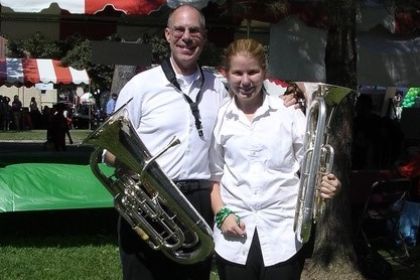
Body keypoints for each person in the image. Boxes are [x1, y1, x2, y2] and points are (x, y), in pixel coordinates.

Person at [105, 5, 300, 280]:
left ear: (204, 37)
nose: (187, 37)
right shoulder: (140, 86)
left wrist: (298, 91)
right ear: (167, 34)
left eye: (194, 30)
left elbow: (261, 91)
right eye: (180, 30)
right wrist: (130, 167)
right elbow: (108, 149)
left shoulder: (220, 87)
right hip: (148, 196)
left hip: (198, 201)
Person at [208, 38, 341, 280]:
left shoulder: (288, 113)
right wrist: (221, 214)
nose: (245, 81)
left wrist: (326, 181)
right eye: (237, 73)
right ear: (226, 74)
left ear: (264, 72)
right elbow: (215, 179)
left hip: (283, 236)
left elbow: (312, 164)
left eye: (253, 72)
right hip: (233, 236)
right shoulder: (221, 118)